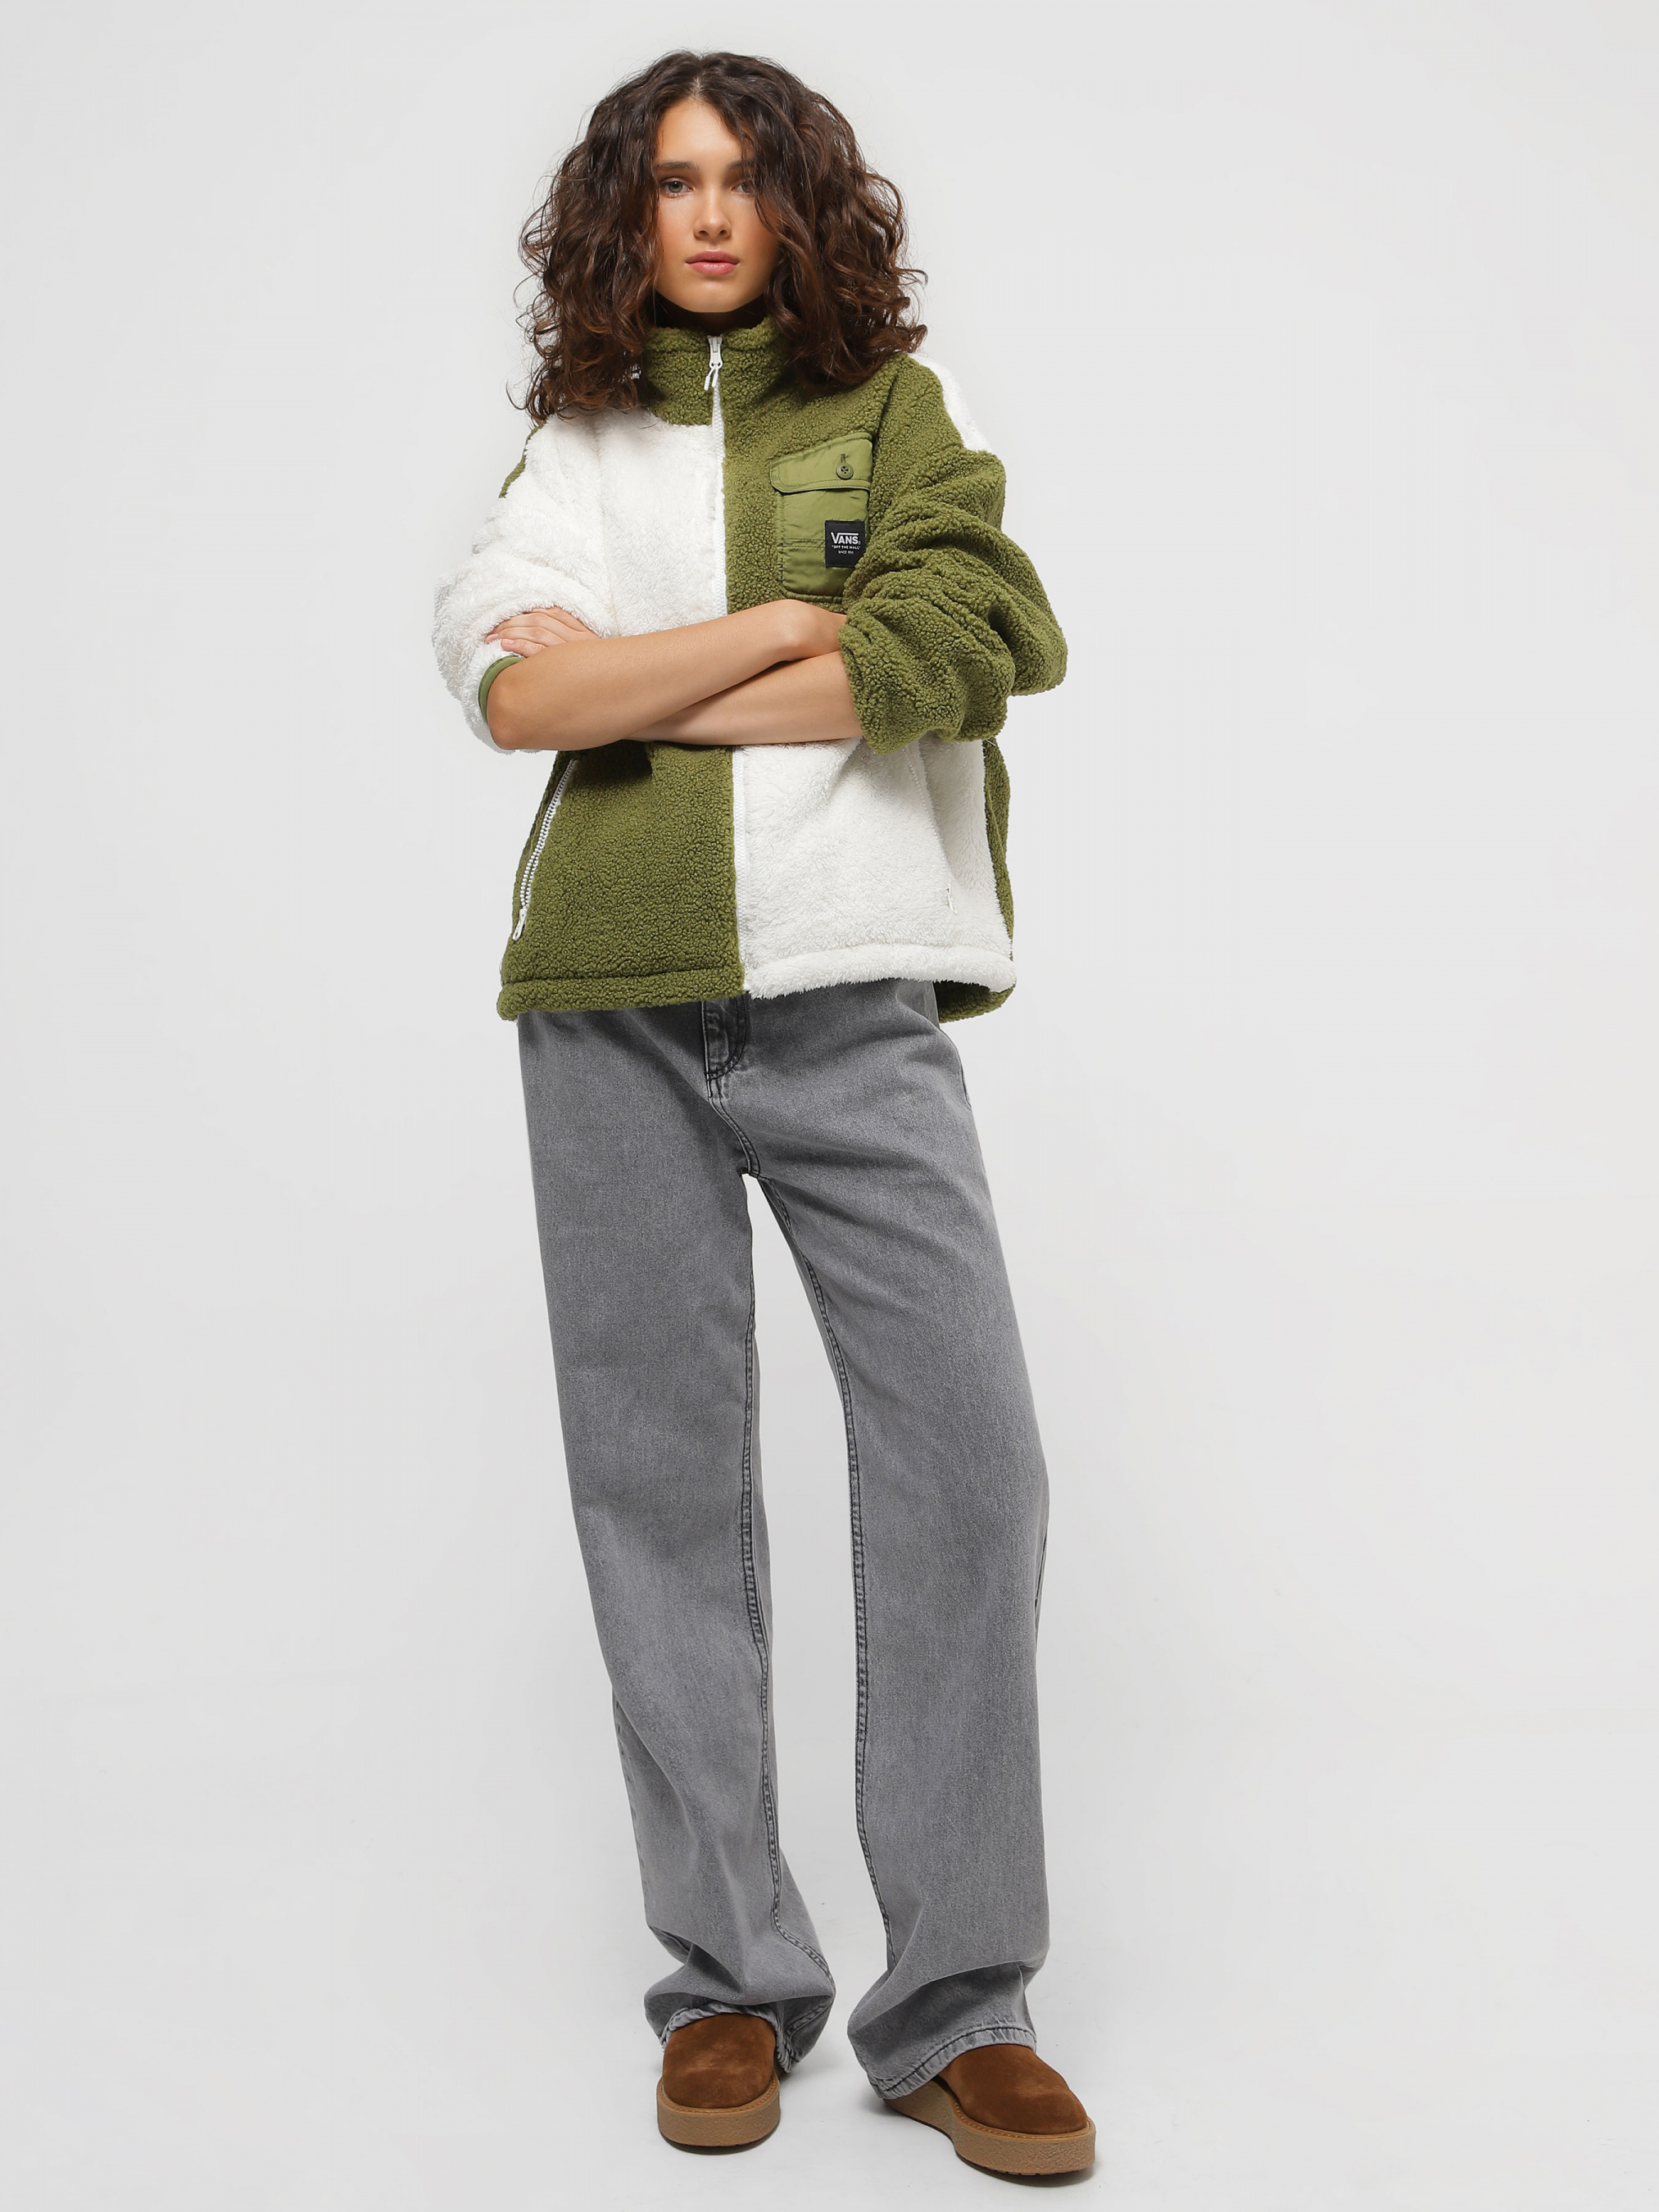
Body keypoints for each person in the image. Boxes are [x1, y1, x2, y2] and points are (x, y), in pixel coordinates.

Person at [432, 48, 1092, 2178]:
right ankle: (727, 1975)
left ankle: (958, 2004)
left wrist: (663, 673)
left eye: (745, 179)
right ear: (622, 216)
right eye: (670, 181)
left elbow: (974, 635)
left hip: (850, 1000)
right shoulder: (571, 445)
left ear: (807, 207)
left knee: (969, 1465)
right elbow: (519, 693)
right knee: (657, 1488)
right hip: (604, 1006)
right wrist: (793, 628)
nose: (708, 215)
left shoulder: (898, 413)